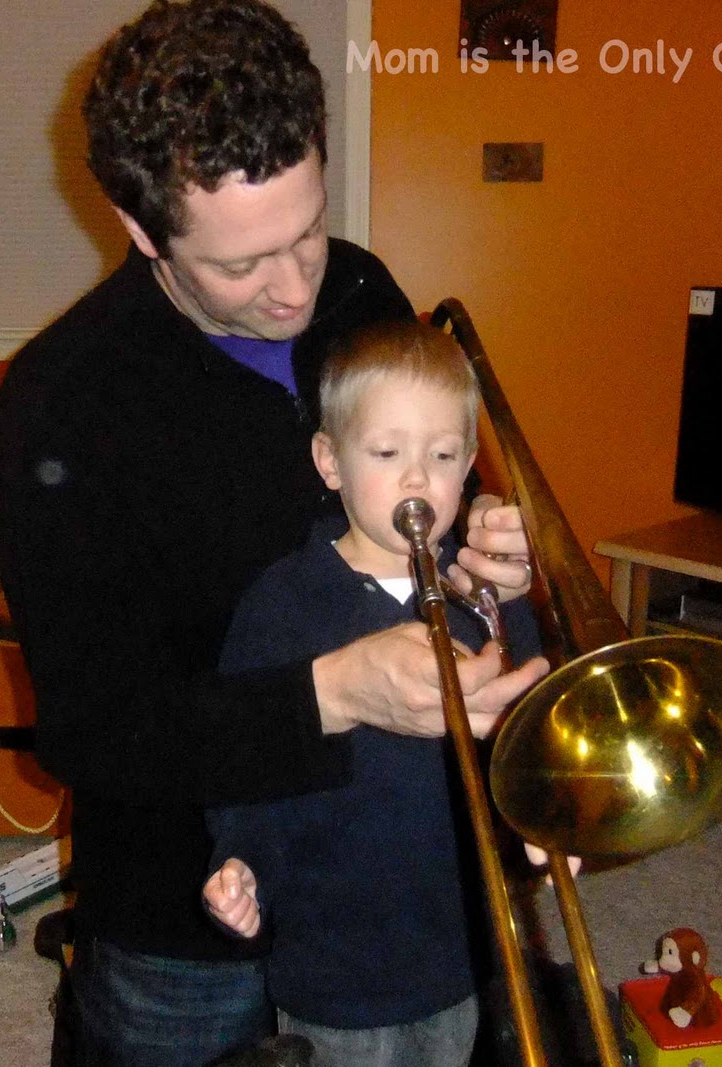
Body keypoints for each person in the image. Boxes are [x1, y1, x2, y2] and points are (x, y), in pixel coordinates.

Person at [0, 1, 547, 1063]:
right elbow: (95, 732)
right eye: (242, 264)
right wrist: (332, 691)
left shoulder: (361, 288)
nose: (295, 289)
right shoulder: (58, 410)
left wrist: (479, 556)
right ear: (140, 229)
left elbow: (419, 492)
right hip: (190, 911)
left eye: (308, 230)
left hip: (400, 878)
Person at [201, 320, 544, 1066]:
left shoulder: (487, 596)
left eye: (442, 456)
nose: (417, 480)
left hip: (458, 950)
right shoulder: (281, 603)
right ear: (331, 461)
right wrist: (243, 860)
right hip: (332, 958)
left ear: (469, 465)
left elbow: (530, 738)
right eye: (387, 454)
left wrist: (547, 819)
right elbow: (247, 763)